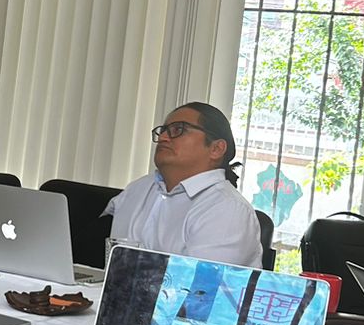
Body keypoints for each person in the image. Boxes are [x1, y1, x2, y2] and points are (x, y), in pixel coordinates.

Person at [105, 101, 263, 268]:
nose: (163, 138)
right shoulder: (138, 188)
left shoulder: (228, 209)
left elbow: (200, 282)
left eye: (178, 130)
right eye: (163, 131)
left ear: (216, 149)